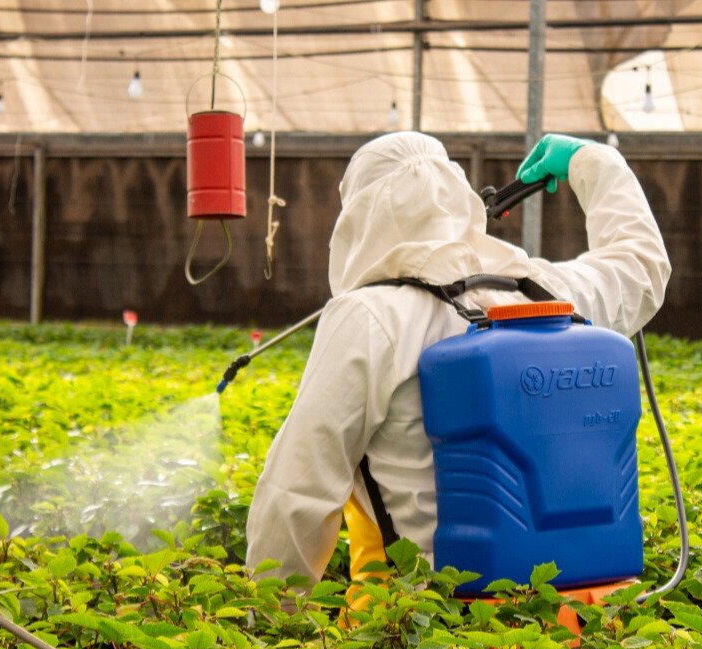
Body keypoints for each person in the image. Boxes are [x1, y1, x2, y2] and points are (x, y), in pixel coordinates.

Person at [244, 131, 671, 587]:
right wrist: (593, 161)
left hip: (435, 625)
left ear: (359, 219)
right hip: (587, 613)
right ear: (458, 196)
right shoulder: (547, 290)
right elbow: (640, 267)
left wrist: (273, 621)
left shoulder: (370, 316)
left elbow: (299, 488)